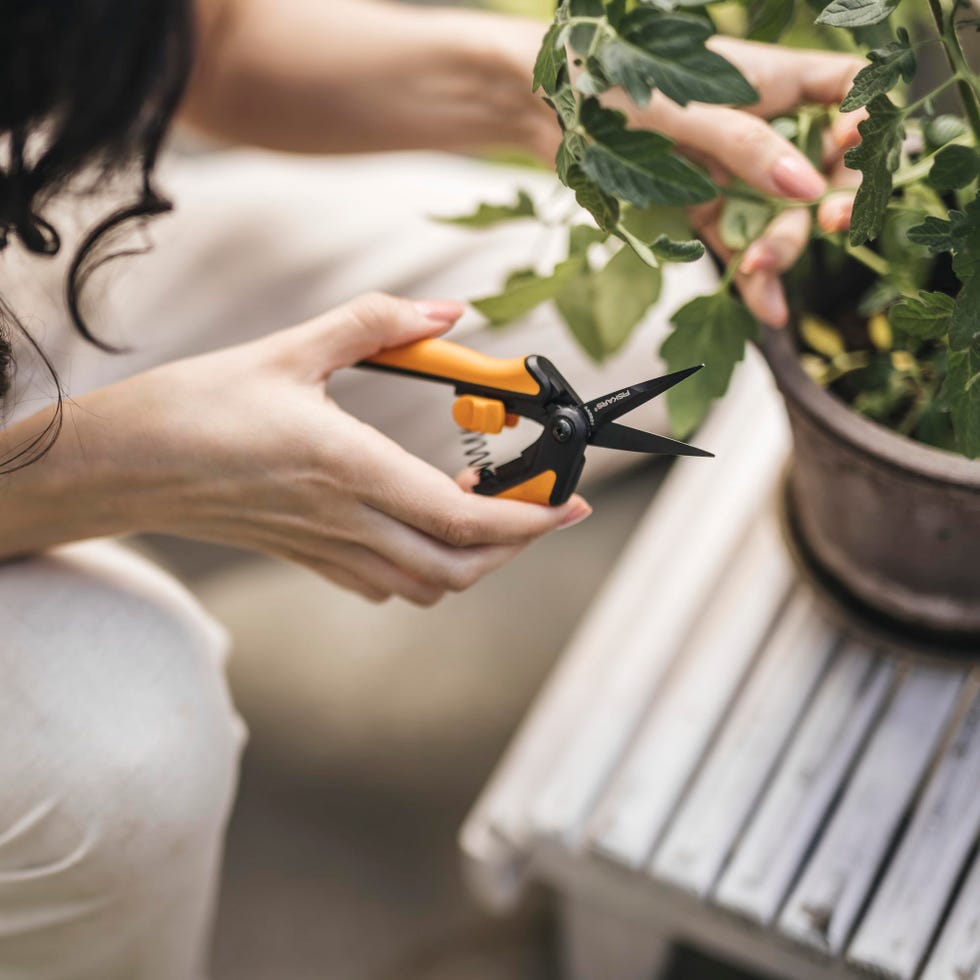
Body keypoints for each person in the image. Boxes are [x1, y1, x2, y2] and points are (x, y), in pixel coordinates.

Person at [0, 1, 862, 976]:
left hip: (27, 238)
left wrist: (555, 96)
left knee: (638, 311)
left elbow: (207, 38)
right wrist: (100, 474)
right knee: (120, 763)